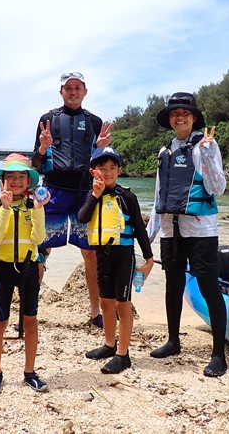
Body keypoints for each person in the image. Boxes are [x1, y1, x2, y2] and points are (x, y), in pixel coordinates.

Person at [146, 92, 228, 377]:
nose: (179, 116)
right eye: (174, 112)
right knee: (173, 284)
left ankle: (219, 354)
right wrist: (149, 238)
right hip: (171, 230)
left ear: (194, 118)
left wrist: (206, 156)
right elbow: (159, 196)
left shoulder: (206, 145)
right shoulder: (164, 152)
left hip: (201, 230)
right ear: (170, 120)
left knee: (208, 287)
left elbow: (218, 188)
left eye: (185, 112)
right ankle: (173, 341)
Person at [31, 71, 113, 328]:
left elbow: (102, 165)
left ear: (85, 91)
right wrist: (43, 148)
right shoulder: (48, 120)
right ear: (61, 92)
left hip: (84, 194)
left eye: (78, 87)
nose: (73, 91)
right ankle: (29, 312)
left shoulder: (95, 122)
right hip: (53, 191)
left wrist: (99, 147)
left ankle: (95, 313)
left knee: (91, 254)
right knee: (41, 250)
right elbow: (35, 163)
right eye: (68, 88)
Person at [77, 146, 154, 374]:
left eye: (112, 168)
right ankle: (109, 345)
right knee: (106, 303)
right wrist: (95, 195)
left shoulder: (127, 197)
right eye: (102, 168)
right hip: (103, 256)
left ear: (119, 170)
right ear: (94, 172)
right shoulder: (91, 196)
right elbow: (82, 217)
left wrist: (149, 259)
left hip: (123, 256)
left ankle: (123, 354)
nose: (108, 172)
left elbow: (140, 229)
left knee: (122, 304)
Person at [0, 153, 51, 395]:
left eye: (21, 177)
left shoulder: (33, 205)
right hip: (3, 269)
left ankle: (30, 372)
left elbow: (38, 238)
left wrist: (38, 210)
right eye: (10, 177)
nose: (16, 181)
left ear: (29, 181)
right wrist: (4, 207)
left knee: (31, 321)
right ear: (2, 180)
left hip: (28, 268)